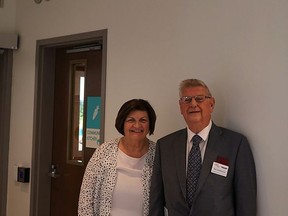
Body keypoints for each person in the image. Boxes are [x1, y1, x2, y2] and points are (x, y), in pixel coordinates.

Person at [149, 79, 257, 216]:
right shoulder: (165, 146)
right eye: (187, 100)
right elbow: (156, 202)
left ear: (211, 104)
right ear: (180, 107)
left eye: (199, 99)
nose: (193, 104)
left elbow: (246, 203)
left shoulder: (236, 144)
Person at [78, 99, 157, 216]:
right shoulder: (105, 151)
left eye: (143, 120)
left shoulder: (158, 154)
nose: (137, 125)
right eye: (131, 120)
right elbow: (86, 197)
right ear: (122, 123)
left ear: (150, 124)